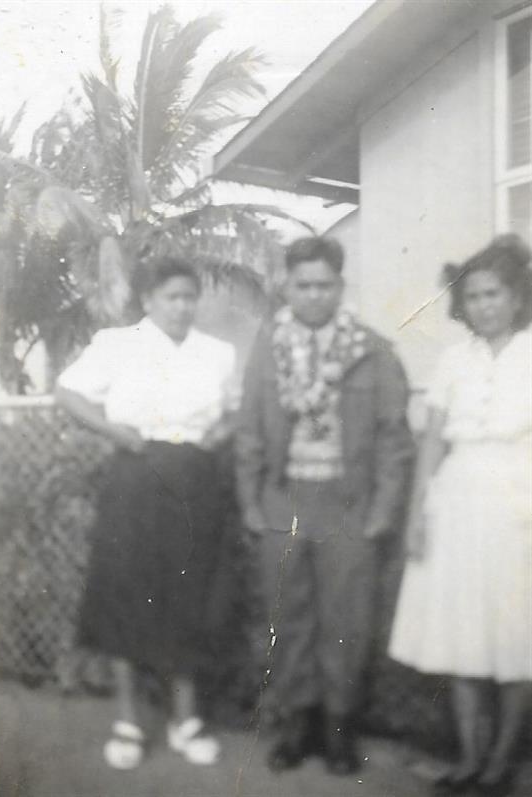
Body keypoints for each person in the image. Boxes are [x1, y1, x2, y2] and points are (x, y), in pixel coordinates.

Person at [235, 236, 413, 775]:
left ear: (340, 286)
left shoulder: (372, 349)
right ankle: (296, 726)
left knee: (345, 620)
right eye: (303, 285)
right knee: (288, 620)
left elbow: (393, 439)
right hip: (282, 499)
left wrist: (382, 511)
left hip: (347, 504)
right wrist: (249, 501)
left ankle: (338, 730)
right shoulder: (268, 347)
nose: (314, 296)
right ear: (287, 287)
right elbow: (248, 431)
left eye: (325, 285)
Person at [56, 257, 235, 769]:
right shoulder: (117, 345)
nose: (182, 306)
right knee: (126, 593)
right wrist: (113, 431)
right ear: (148, 300)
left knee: (190, 594)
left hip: (195, 480)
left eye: (189, 297)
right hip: (135, 475)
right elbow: (67, 392)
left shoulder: (216, 354)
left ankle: (185, 719)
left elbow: (228, 413)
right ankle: (129, 721)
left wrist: (217, 436)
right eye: (171, 297)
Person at [389, 235, 532, 796]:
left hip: (520, 502)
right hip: (457, 502)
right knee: (463, 633)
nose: (483, 305)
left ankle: (501, 763)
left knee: (514, 633)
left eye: (494, 294)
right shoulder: (453, 360)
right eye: (472, 296)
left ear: (517, 297)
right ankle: (471, 759)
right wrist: (417, 512)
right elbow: (430, 444)